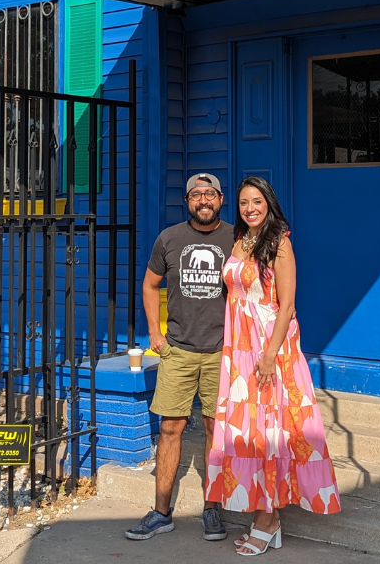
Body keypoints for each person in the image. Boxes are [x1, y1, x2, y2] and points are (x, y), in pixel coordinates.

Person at [205, 175, 340, 556]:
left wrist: (268, 356)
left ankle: (268, 519)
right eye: (244, 202)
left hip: (269, 349)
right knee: (249, 434)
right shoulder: (240, 239)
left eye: (257, 202)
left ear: (269, 203)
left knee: (269, 433)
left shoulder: (280, 244)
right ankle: (265, 517)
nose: (250, 208)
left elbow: (287, 306)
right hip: (239, 350)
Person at [126, 173, 234, 543]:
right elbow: (149, 284)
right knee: (170, 428)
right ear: (187, 201)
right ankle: (161, 512)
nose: (203, 200)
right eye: (196, 195)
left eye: (210, 194)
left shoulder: (238, 238)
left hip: (223, 352)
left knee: (213, 430)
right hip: (178, 351)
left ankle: (212, 509)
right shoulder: (169, 238)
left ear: (221, 199)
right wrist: (155, 334)